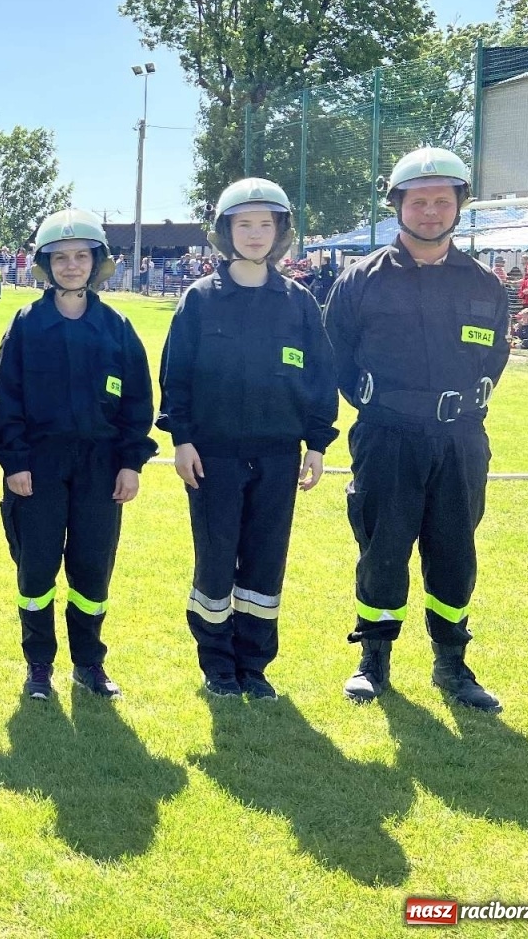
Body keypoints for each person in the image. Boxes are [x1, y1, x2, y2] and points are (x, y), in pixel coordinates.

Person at [325, 147, 508, 712]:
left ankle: (452, 663)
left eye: (442, 201)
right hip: (387, 436)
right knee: (382, 547)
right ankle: (373, 659)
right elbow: (336, 355)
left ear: (459, 206)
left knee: (455, 550)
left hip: (460, 440)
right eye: (419, 201)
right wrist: (381, 405)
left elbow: (495, 355)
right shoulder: (361, 281)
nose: (431, 212)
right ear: (398, 206)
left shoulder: (484, 283)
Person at [157, 180, 339, 699]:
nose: (255, 234)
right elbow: (176, 375)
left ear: (280, 232)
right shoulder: (199, 299)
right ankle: (217, 664)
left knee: (265, 560)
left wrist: (317, 443)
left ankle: (254, 665)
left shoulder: (299, 303)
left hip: (278, 455)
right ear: (226, 231)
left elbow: (321, 377)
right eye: (244, 224)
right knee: (216, 559)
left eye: (265, 224)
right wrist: (182, 439)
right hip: (213, 455)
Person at [0, 209, 155, 700]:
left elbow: (137, 401)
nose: (70, 266)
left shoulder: (116, 326)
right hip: (39, 466)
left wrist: (130, 463)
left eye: (80, 256)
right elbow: (7, 396)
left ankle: (89, 663)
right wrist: (16, 461)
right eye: (60, 258)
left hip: (100, 467)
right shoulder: (26, 324)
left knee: (91, 568)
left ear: (96, 262)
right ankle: (38, 665)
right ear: (45, 264)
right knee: (36, 569)